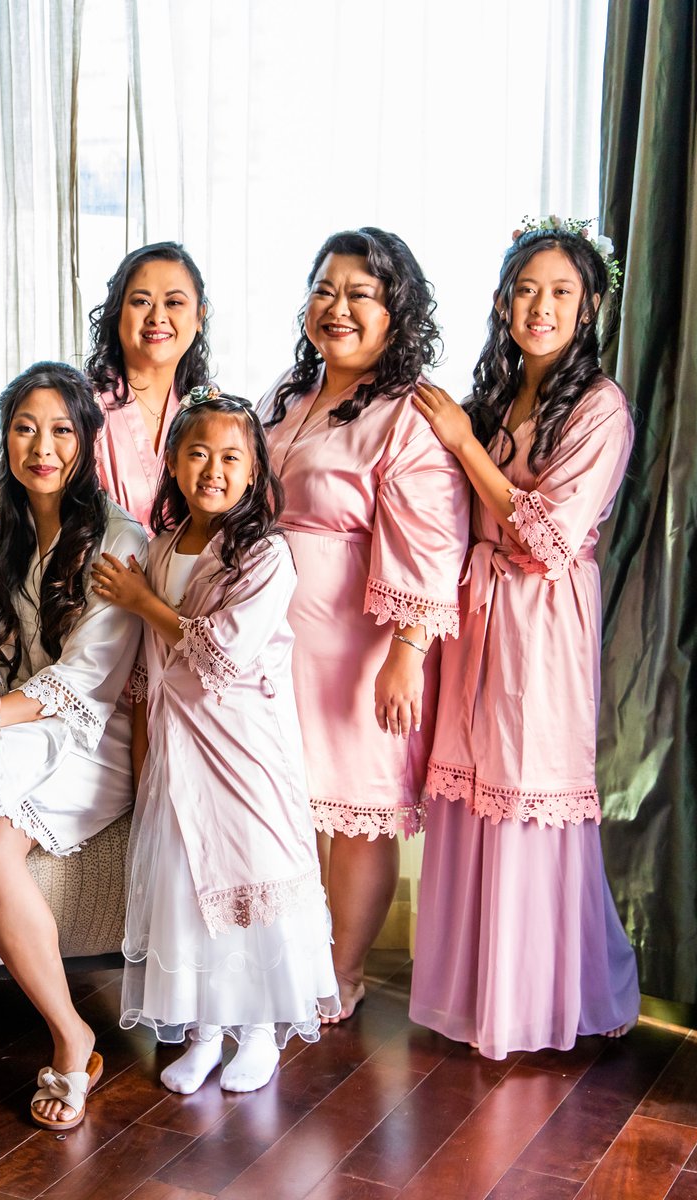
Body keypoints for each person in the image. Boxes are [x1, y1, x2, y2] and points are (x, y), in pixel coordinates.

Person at [408, 218, 641, 1058]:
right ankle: (477, 991)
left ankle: (537, 1000)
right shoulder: (499, 397)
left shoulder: (600, 407)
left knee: (526, 792)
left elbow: (548, 535)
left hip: (540, 620)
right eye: (527, 290)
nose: (541, 307)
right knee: (472, 791)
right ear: (504, 300)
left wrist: (465, 446)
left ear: (589, 306)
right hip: (476, 616)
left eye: (561, 292)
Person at [0, 361, 147, 1130]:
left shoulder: (121, 541)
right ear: (5, 437)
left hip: (89, 741)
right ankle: (74, 1036)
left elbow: (84, 682)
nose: (41, 447)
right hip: (13, 730)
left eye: (60, 431)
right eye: (24, 428)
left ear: (86, 440)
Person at [92, 388, 337, 1095]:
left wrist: (144, 601)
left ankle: (256, 1030)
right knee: (186, 886)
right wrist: (144, 752)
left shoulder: (266, 555)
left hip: (243, 751)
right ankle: (203, 1030)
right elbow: (148, 665)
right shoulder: (162, 547)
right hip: (178, 750)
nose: (213, 470)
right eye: (197, 454)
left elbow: (221, 654)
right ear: (172, 463)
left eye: (232, 457)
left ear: (255, 470)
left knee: (249, 879)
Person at [261, 228, 470, 1020]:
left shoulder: (407, 412)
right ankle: (288, 960)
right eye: (325, 289)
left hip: (362, 645)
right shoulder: (289, 391)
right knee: (292, 807)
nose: (337, 306)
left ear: (396, 310)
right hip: (274, 643)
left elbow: (435, 538)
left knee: (359, 815)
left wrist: (406, 653)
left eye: (360, 293)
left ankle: (341, 972)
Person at [83, 242, 214, 527]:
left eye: (174, 303)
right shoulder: (82, 407)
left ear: (199, 316)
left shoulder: (214, 410)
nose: (157, 317)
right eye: (141, 301)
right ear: (117, 312)